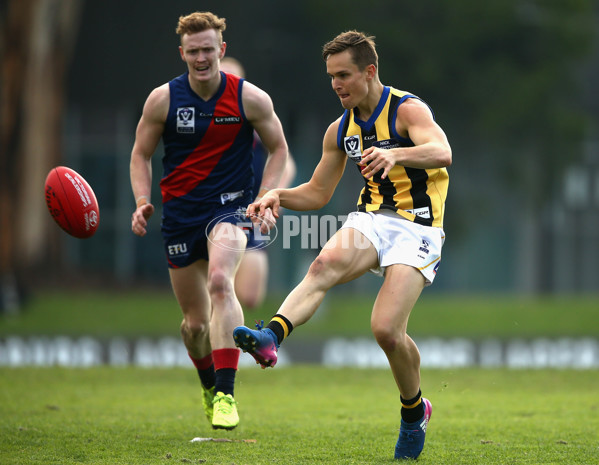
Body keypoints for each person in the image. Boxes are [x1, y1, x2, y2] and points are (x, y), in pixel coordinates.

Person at [233, 30, 451, 460]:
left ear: (369, 72)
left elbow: (442, 151)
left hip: (420, 227)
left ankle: (414, 411)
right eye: (332, 76)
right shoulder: (341, 130)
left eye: (344, 75)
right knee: (323, 264)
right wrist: (278, 196)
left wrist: (397, 155)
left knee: (386, 330)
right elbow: (317, 193)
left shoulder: (408, 109)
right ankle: (270, 335)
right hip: (372, 219)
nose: (336, 85)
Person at [130, 11, 288, 430]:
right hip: (180, 218)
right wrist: (142, 200)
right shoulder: (162, 100)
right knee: (194, 325)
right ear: (182, 53)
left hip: (229, 211)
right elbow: (140, 154)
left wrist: (266, 197)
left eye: (208, 49)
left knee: (222, 281)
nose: (201, 58)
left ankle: (225, 395)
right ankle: (207, 384)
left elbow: (279, 149)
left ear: (222, 49)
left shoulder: (249, 98)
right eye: (193, 51)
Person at [219, 57, 297, 310]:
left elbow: (288, 163)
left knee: (250, 297)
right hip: (209, 211)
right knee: (217, 286)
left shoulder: (253, 120)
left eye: (233, 80)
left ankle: (225, 333)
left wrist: (272, 198)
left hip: (248, 214)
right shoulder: (196, 121)